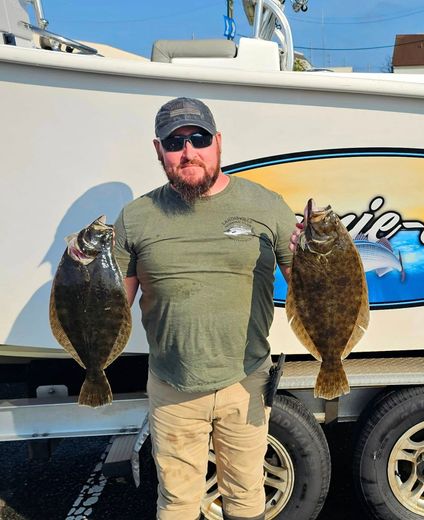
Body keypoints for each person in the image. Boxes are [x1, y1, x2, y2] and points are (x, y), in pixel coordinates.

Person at [113, 97, 299, 520]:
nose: (188, 152)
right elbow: (113, 309)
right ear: (158, 150)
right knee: (177, 502)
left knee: (246, 496)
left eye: (197, 138)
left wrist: (323, 253)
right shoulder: (136, 218)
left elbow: (310, 286)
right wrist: (79, 277)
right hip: (172, 386)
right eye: (174, 143)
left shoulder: (265, 206)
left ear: (217, 142)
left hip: (246, 381)